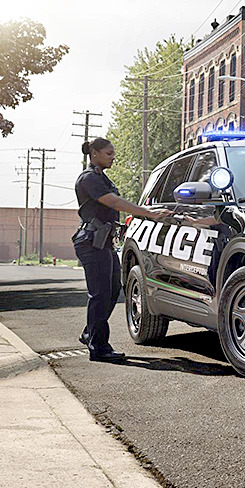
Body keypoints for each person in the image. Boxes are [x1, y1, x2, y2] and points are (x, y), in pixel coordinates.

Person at [74, 138, 170, 362]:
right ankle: (99, 348)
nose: (113, 157)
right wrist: (148, 213)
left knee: (114, 290)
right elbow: (115, 203)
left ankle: (90, 333)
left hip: (104, 242)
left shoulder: (100, 177)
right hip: (91, 242)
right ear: (95, 153)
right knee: (99, 295)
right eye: (108, 153)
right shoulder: (88, 179)